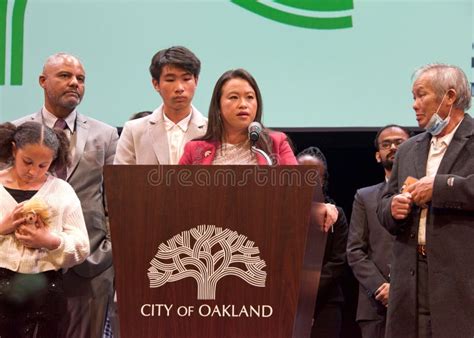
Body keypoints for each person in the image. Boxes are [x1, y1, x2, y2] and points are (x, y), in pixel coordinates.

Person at [13, 53, 119, 338]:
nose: (74, 83)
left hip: (90, 266)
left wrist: (105, 252)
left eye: (80, 79)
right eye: (65, 76)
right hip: (26, 266)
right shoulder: (16, 132)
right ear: (42, 81)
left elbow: (115, 202)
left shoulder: (106, 135)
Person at [377, 64, 474, 338]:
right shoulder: (409, 149)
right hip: (410, 279)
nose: (414, 105)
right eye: (413, 97)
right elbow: (384, 203)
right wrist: (392, 208)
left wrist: (441, 187)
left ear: (450, 96)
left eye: (421, 96)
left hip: (460, 281)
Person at [0, 121, 90, 338]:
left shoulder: (61, 190)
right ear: (14, 150)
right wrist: (3, 228)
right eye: (27, 162)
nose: (33, 172)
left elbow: (82, 245)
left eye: (43, 165)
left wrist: (50, 241)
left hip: (44, 290)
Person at [346, 124, 411, 338]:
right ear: (377, 155)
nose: (392, 147)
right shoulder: (364, 197)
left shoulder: (424, 192)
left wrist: (401, 288)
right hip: (375, 305)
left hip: (417, 301)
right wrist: (380, 286)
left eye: (399, 143)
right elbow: (355, 251)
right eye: (386, 144)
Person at [179, 68, 296, 165]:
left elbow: (295, 188)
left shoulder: (276, 143)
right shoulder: (194, 150)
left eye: (249, 97)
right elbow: (178, 191)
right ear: (218, 106)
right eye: (234, 97)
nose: (243, 104)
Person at [114, 46, 207, 164]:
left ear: (196, 81)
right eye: (170, 80)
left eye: (186, 78)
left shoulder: (212, 131)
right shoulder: (134, 131)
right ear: (156, 84)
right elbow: (122, 180)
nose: (179, 88)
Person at [297, 147, 348, 338]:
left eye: (314, 176)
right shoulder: (278, 212)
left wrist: (305, 287)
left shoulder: (336, 215)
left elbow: (338, 261)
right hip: (284, 300)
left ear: (323, 180)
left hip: (326, 302)